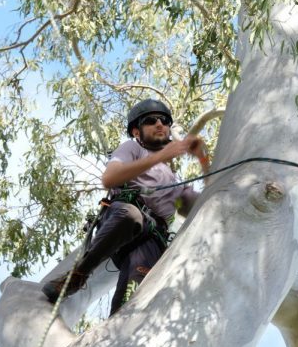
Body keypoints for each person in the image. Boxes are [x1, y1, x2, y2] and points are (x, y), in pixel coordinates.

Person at [42, 98, 210, 314]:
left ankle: (115, 331)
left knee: (132, 302)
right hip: (123, 219)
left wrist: (203, 160)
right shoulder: (132, 149)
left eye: (164, 121)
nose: (159, 124)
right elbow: (109, 178)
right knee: (131, 215)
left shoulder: (174, 184)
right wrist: (160, 156)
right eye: (151, 121)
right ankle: (78, 275)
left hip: (150, 241)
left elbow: (205, 206)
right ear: (137, 132)